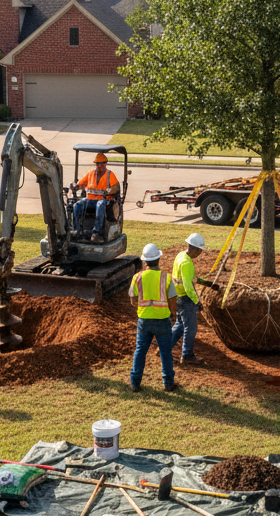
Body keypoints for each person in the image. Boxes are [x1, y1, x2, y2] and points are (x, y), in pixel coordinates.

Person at [128, 243, 178, 392]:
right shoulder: (166, 277)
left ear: (145, 261)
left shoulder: (137, 277)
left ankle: (135, 383)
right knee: (165, 353)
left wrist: (142, 308)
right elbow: (172, 300)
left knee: (140, 351)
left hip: (144, 320)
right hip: (162, 320)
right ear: (159, 258)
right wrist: (173, 314)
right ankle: (168, 383)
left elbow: (132, 299)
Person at [171, 232, 206, 363]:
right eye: (200, 250)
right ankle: (187, 355)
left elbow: (185, 279)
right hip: (185, 298)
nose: (200, 253)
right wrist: (197, 302)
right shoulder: (187, 263)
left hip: (177, 296)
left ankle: (164, 347)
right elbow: (188, 286)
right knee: (191, 328)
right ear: (195, 249)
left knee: (180, 325)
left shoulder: (180, 255)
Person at [71, 152, 119, 243]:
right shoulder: (90, 174)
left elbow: (116, 187)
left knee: (100, 205)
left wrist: (109, 191)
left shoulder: (110, 175)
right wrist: (75, 187)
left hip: (104, 200)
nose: (99, 166)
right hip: (89, 200)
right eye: (97, 163)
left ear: (105, 163)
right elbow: (80, 184)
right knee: (76, 205)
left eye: (102, 163)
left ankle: (96, 233)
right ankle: (78, 230)